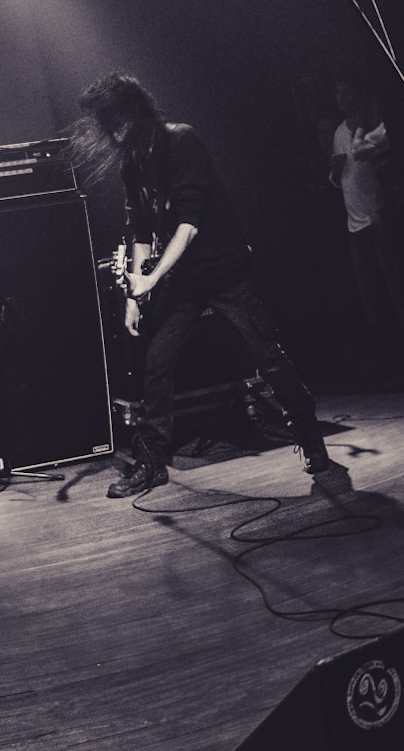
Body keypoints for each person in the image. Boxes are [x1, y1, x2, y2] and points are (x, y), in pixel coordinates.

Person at [78, 73, 351, 498]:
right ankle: (152, 462)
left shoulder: (181, 140)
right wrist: (135, 294)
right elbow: (140, 230)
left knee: (268, 357)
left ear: (135, 111)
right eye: (106, 124)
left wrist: (152, 277)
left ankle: (310, 437)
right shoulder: (132, 163)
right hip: (183, 280)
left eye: (116, 120)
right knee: (157, 361)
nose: (113, 132)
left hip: (225, 271)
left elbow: (188, 224)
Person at [329, 78, 404, 388]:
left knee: (399, 293)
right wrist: (332, 173)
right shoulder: (338, 132)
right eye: (337, 92)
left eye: (346, 90)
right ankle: (388, 363)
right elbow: (340, 176)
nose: (341, 97)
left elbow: (367, 158)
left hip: (379, 217)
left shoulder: (372, 122)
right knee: (372, 301)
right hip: (354, 224)